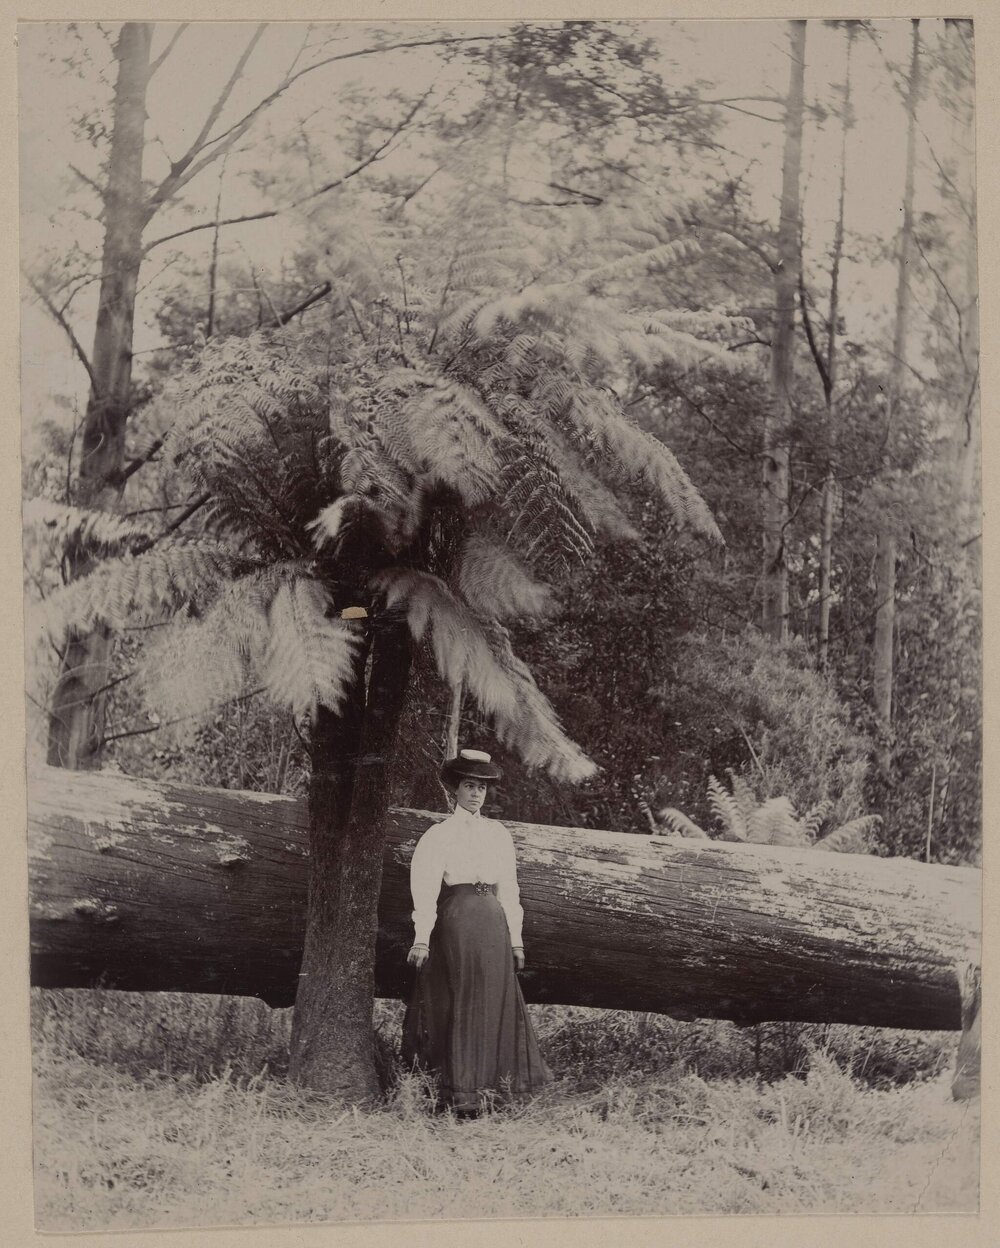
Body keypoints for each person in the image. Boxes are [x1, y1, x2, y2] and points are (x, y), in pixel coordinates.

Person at [401, 748, 553, 1114]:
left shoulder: (498, 834)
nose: (476, 794)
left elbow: (510, 889)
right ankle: (461, 1094)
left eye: (482, 788)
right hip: (458, 922)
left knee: (492, 1000)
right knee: (462, 999)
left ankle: (490, 1091)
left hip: (494, 925)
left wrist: (516, 940)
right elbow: (423, 887)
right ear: (455, 788)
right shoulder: (438, 835)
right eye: (469, 786)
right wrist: (422, 936)